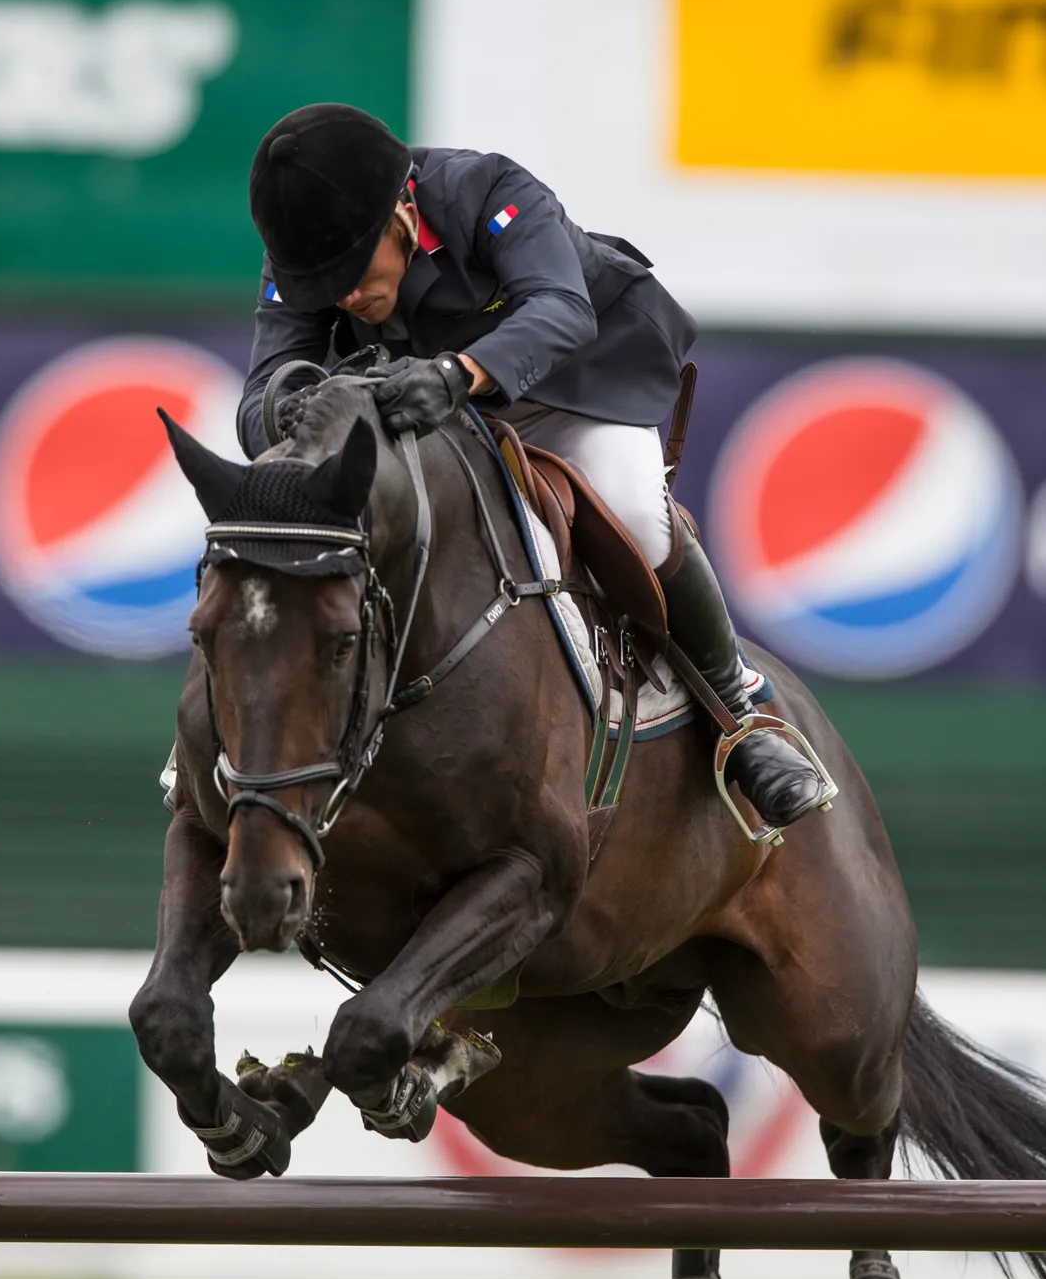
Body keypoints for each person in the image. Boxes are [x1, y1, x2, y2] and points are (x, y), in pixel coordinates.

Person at [239, 103, 830, 829]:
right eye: (322, 286)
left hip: (574, 386)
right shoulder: (307, 257)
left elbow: (561, 307)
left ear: (401, 213)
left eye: (354, 272)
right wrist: (293, 408)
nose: (344, 297)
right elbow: (257, 402)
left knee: (634, 512)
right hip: (441, 416)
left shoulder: (484, 190)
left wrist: (459, 373)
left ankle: (739, 712)